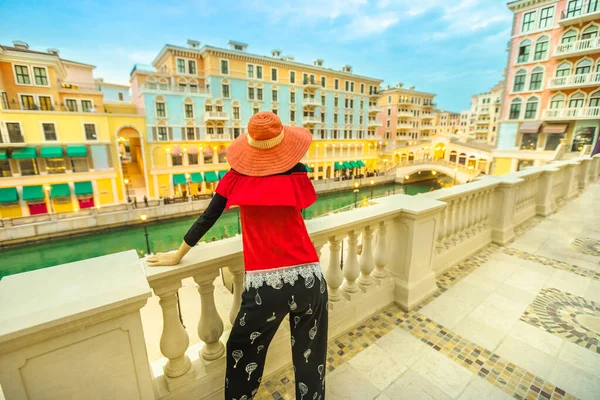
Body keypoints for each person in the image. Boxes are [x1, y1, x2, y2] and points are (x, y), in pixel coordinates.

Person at [147, 112, 327, 400]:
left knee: (242, 354)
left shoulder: (235, 178)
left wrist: (177, 255)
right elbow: (297, 208)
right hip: (310, 278)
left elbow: (208, 218)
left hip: (266, 287)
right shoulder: (298, 172)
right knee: (311, 358)